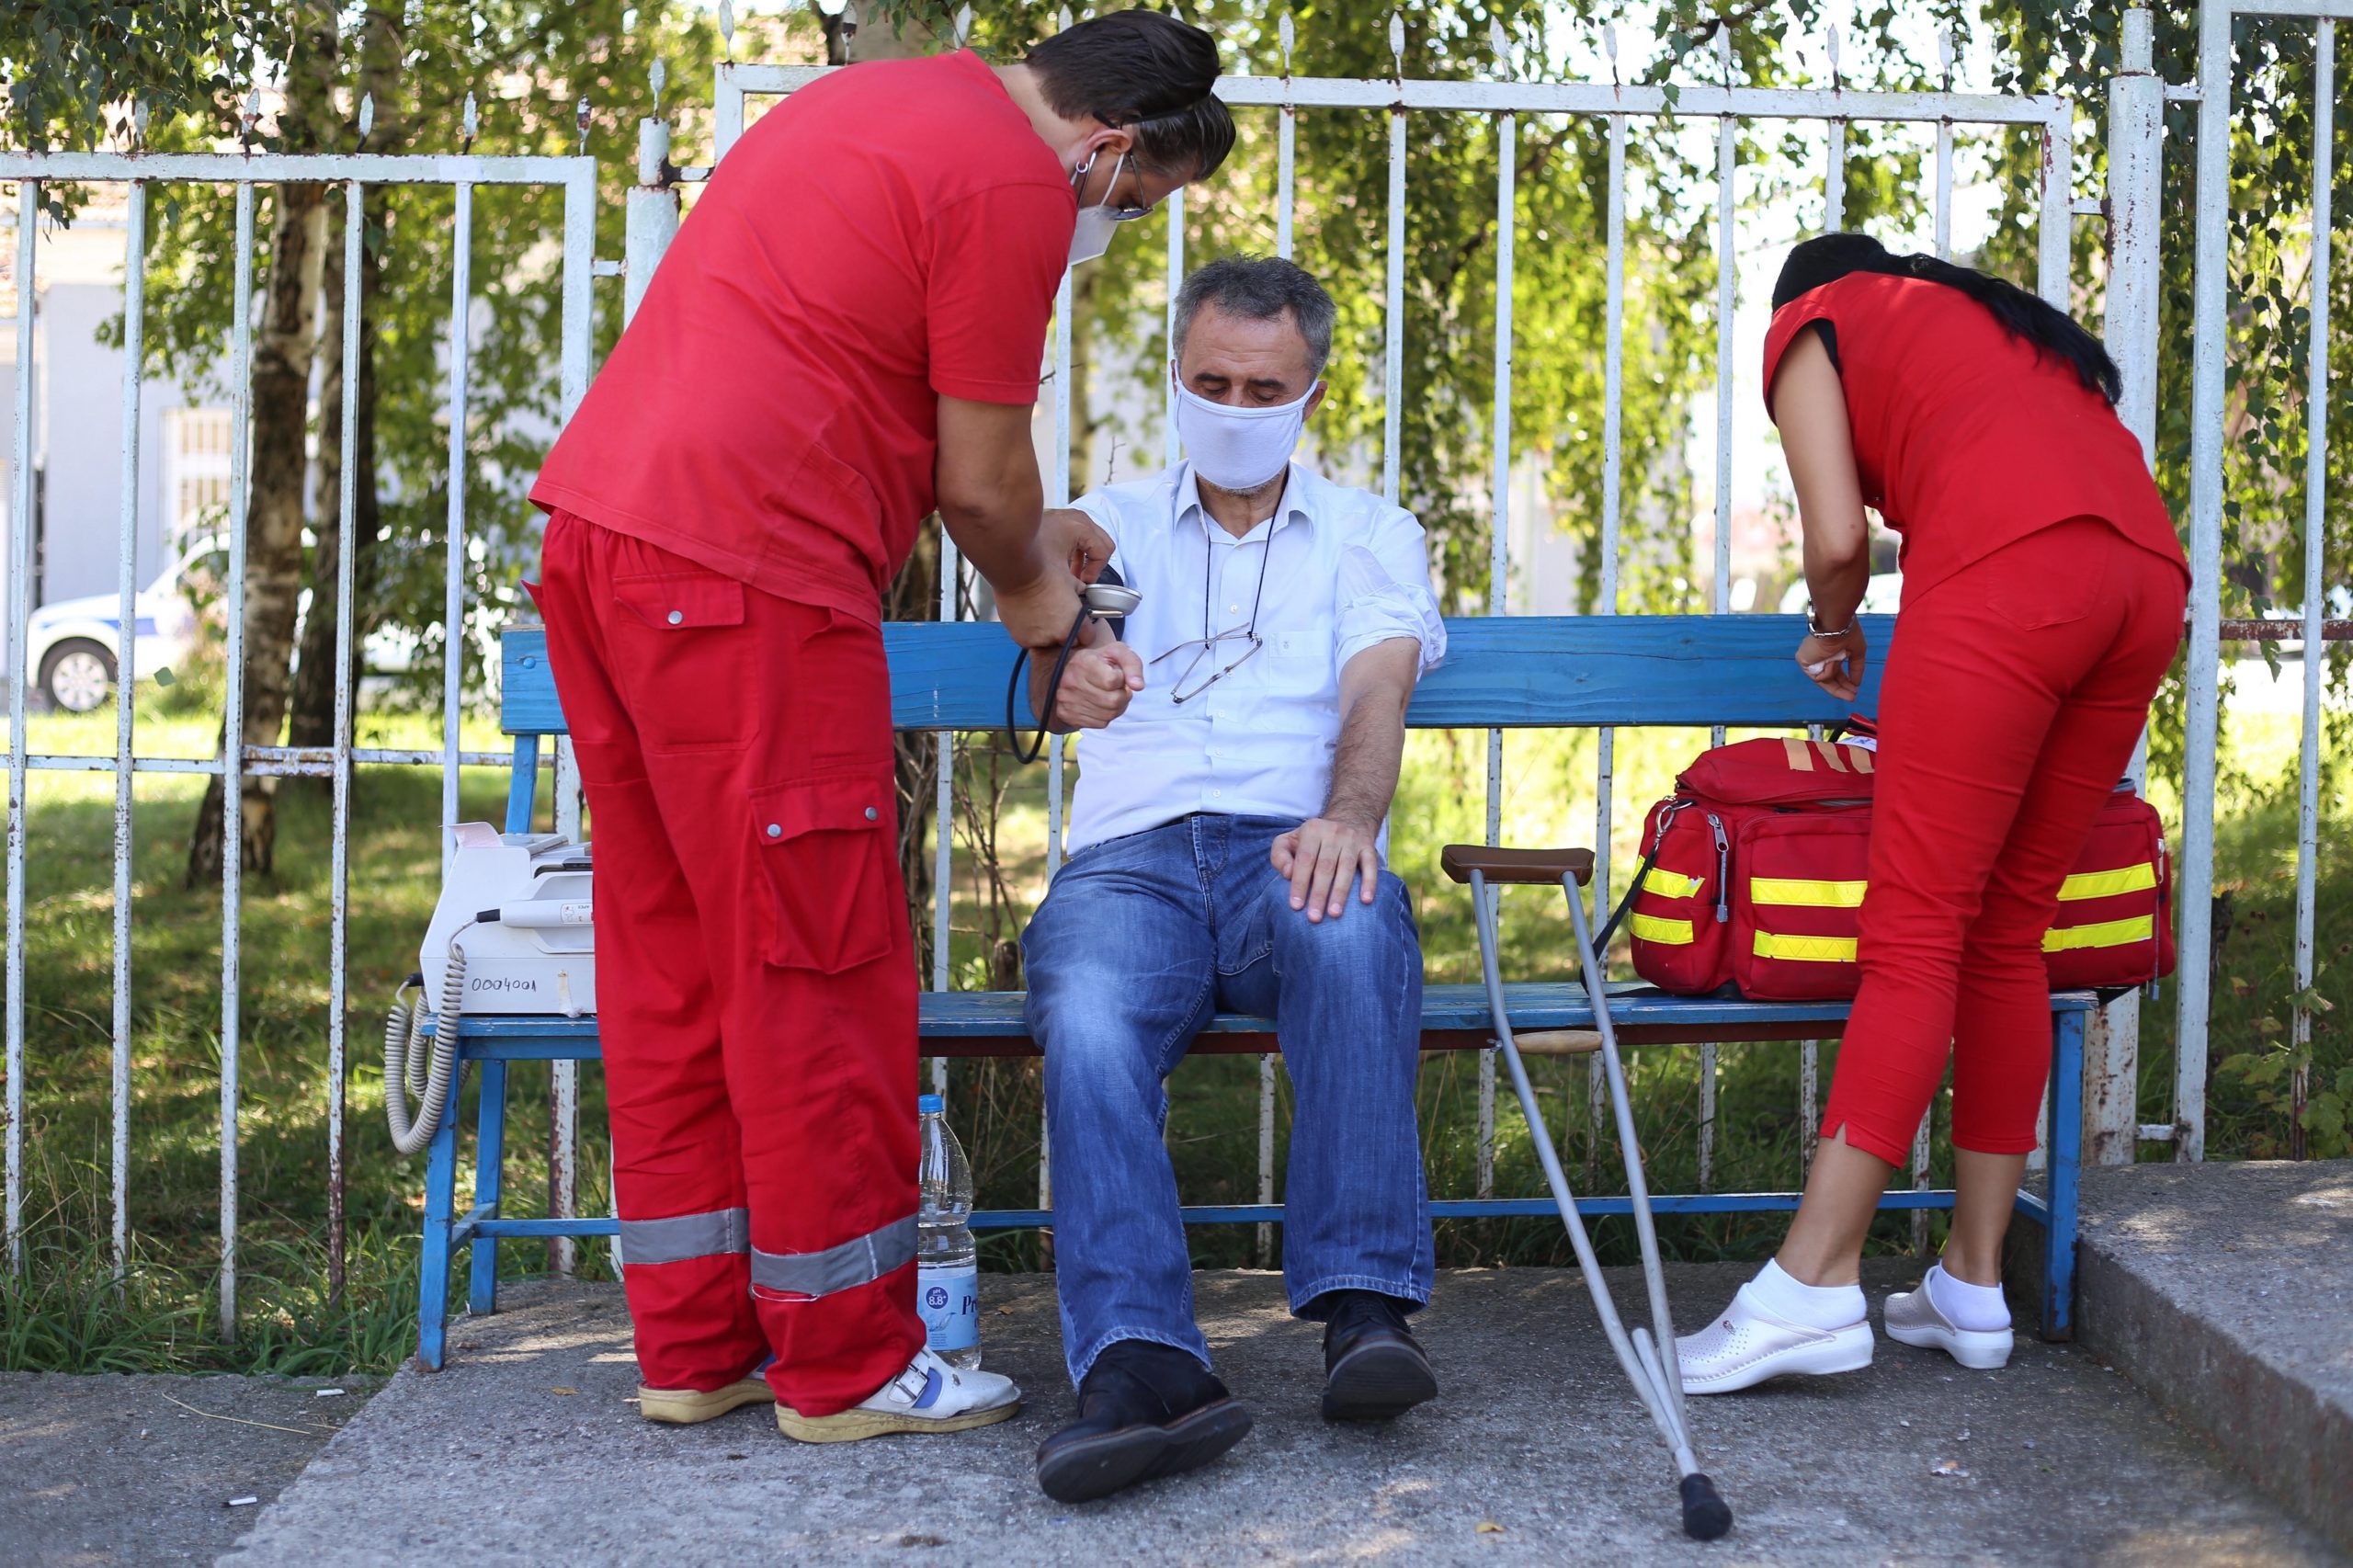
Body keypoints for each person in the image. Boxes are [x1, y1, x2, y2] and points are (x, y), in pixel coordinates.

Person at [527, 15, 1234, 1445]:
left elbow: (871, 392)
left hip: (609, 544)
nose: (1117, 227)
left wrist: (1041, 536)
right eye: (1139, 205)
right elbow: (978, 488)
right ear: (1111, 146)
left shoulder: (874, 105)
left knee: (670, 955)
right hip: (752, 579)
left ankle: (697, 1345)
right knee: (819, 956)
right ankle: (848, 1364)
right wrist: (1050, 612)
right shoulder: (1012, 187)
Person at [1676, 233, 2188, 1393]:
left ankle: (1809, 1285)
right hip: (2144, 582)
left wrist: (1835, 623)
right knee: (2008, 928)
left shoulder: (1813, 320)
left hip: (2013, 580)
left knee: (1912, 931)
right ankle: (1969, 1280)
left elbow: (1838, 537)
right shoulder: (1994, 329)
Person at [1016, 256, 1449, 1503]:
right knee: (1089, 1012)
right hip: (1131, 862)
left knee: (1350, 924)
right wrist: (1070, 662)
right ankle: (1144, 1359)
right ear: (1177, 377)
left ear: (1310, 393)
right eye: (1211, 380)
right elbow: (1047, 617)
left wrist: (1348, 818)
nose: (1235, 404)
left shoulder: (1369, 531)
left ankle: (1366, 1311)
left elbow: (1377, 686)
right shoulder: (1117, 523)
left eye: (1264, 386)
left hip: (1287, 841)